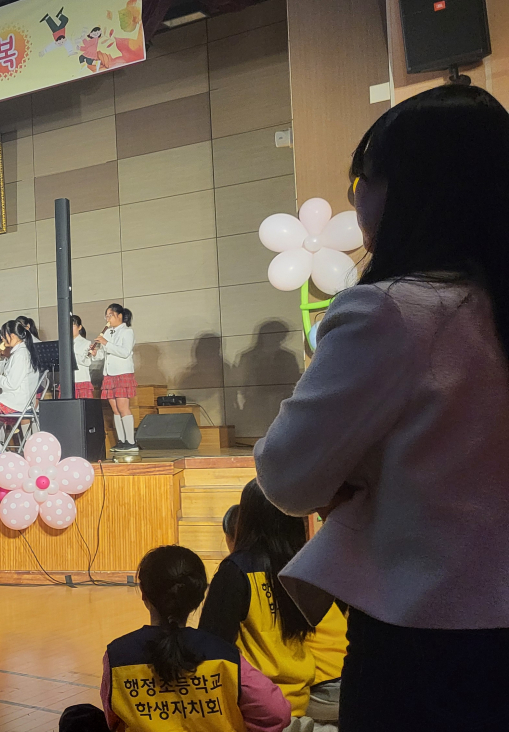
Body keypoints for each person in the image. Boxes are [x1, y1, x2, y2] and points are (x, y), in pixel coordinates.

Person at [254, 84, 509, 730]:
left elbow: (286, 474)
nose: (356, 199)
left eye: (362, 180)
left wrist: (357, 476)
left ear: (411, 191)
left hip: (426, 643)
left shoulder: (391, 311)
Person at [94, 545, 290, 732]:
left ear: (144, 593)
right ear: (198, 597)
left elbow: (113, 719)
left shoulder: (117, 656)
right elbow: (277, 712)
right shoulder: (225, 655)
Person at [199, 481, 345, 726]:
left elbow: (211, 647)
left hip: (272, 705)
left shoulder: (236, 571)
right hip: (316, 692)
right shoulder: (306, 566)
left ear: (247, 519)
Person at [92, 303, 137, 452]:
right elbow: (103, 354)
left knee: (123, 407)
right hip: (109, 374)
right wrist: (95, 353)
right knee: (115, 409)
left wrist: (106, 343)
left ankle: (131, 442)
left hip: (122, 373)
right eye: (106, 316)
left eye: (110, 315)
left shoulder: (127, 331)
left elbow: (124, 352)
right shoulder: (108, 333)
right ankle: (122, 441)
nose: (108, 319)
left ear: (119, 316)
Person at [71, 315, 96, 399]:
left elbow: (87, 361)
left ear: (79, 327)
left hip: (81, 379)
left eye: (73, 325)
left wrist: (71, 355)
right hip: (67, 381)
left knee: (83, 405)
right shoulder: (63, 343)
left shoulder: (86, 343)